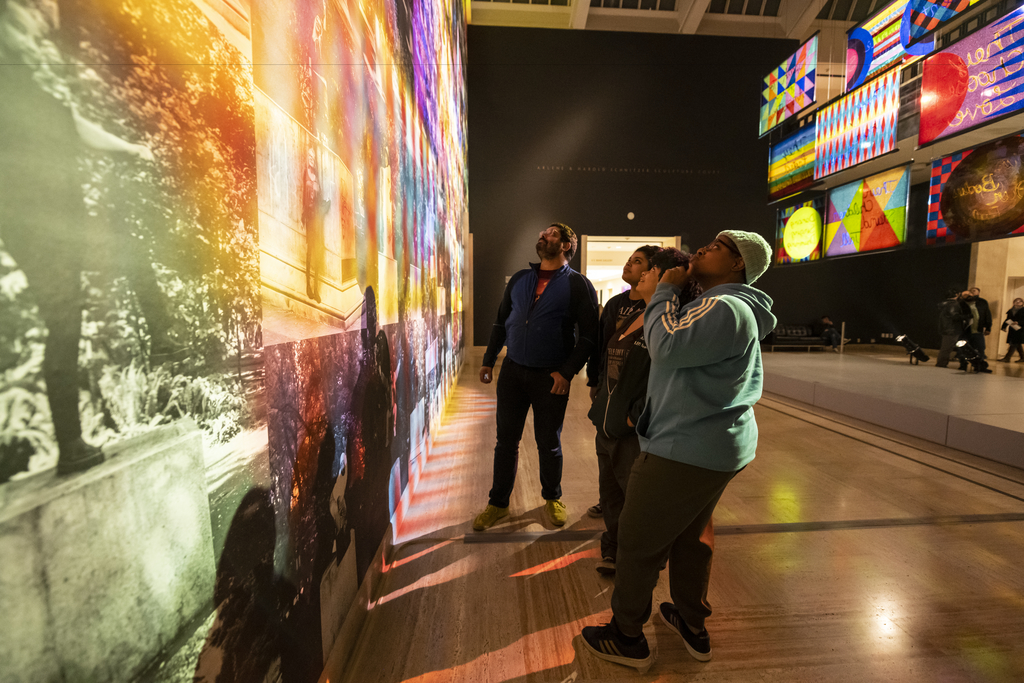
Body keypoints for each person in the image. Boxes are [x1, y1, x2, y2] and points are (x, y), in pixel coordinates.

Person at [580, 230, 775, 672]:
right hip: (711, 446)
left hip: (686, 448)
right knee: (691, 538)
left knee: (638, 540)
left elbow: (666, 348)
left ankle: (627, 636)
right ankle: (691, 624)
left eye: (719, 247)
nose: (705, 248)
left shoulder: (725, 306)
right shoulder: (720, 306)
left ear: (738, 265)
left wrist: (664, 290)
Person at [0, 0, 152, 475]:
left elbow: (72, 125)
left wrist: (128, 148)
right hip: (37, 222)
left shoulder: (25, 71)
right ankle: (70, 446)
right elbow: (74, 126)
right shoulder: (13, 69)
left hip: (41, 221)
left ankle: (71, 443)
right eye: (37, 13)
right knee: (64, 322)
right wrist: (130, 148)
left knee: (64, 321)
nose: (45, 23)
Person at [474, 223, 599, 530]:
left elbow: (589, 336)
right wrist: (489, 360)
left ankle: (552, 497)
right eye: (543, 233)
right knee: (506, 442)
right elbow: (501, 322)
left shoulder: (578, 285)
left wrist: (568, 373)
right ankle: (498, 503)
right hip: (513, 372)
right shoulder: (520, 279)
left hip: (551, 376)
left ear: (567, 245)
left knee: (548, 441)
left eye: (553, 234)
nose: (544, 236)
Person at [588, 247, 700, 575]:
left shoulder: (673, 321)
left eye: (651, 269)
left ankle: (638, 562)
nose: (644, 273)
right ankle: (615, 549)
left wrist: (634, 417)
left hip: (633, 432)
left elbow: (668, 380)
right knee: (611, 498)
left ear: (668, 279)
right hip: (607, 426)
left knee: (637, 504)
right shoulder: (634, 312)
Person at [585, 245, 661, 519]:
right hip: (611, 393)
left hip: (634, 403)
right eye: (629, 260)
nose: (629, 265)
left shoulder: (656, 308)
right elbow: (602, 345)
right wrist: (596, 381)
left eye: (637, 261)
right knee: (610, 467)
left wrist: (635, 414)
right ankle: (611, 517)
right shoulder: (617, 305)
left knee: (630, 472)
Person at [935, 289, 969, 369]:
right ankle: (941, 363)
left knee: (945, 347)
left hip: (945, 328)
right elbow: (954, 316)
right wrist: (966, 316)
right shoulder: (954, 305)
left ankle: (941, 363)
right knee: (947, 348)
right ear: (957, 295)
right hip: (952, 329)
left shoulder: (943, 304)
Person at [964, 288, 992, 358]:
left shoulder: (982, 302)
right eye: (971, 291)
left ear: (978, 292)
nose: (972, 292)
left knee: (980, 347)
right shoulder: (963, 302)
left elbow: (987, 314)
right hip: (966, 329)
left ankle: (980, 363)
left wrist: (988, 327)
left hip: (978, 328)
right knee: (966, 347)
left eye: (974, 290)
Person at [999, 297, 1024, 363]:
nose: (1018, 302)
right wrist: (1004, 327)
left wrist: (1018, 322)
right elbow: (1007, 319)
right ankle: (1023, 358)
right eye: (1016, 301)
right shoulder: (1011, 310)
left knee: (1014, 343)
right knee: (1017, 344)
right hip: (1013, 329)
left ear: (1022, 303)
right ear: (1013, 302)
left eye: (1019, 301)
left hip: (1020, 329)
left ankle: (1007, 358)